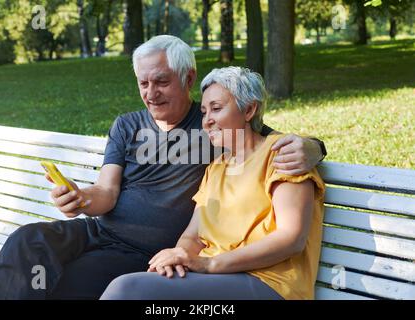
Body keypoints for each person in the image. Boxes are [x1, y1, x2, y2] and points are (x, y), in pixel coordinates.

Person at [0, 36, 326, 300]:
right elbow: (107, 192)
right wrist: (81, 197)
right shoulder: (129, 126)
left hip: (145, 252)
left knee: (63, 284)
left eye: (161, 82)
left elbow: (264, 138)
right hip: (100, 231)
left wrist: (314, 147)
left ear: (188, 78)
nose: (151, 93)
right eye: (143, 83)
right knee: (28, 239)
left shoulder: (215, 130)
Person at [100, 67, 325, 300]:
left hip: (268, 283)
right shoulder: (216, 167)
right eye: (204, 112)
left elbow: (291, 239)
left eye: (216, 109)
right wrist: (178, 257)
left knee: (127, 290)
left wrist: (209, 264)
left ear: (249, 109)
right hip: (215, 278)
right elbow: (193, 236)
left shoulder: (281, 154)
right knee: (136, 286)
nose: (207, 121)